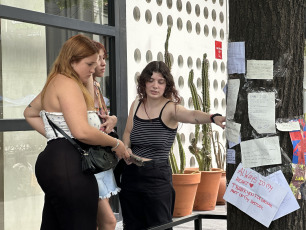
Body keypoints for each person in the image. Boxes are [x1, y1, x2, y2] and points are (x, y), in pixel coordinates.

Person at [23, 34, 129, 230]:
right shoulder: (68, 84)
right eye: (89, 64)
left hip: (54, 161)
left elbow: (29, 112)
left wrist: (56, 138)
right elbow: (81, 131)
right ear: (72, 61)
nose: (93, 69)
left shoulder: (55, 81)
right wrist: (116, 143)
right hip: (68, 165)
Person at [120, 61, 225, 230]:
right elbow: (127, 132)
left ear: (167, 85)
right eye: (151, 80)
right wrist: (126, 149)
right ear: (143, 82)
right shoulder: (137, 103)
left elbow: (192, 115)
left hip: (157, 176)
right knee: (132, 226)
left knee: (160, 226)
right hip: (131, 175)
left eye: (160, 82)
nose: (155, 86)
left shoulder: (171, 108)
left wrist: (213, 117)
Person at [87, 40, 120, 230]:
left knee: (101, 221)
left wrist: (112, 119)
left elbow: (99, 119)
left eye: (103, 58)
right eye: (97, 59)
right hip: (91, 159)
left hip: (99, 157)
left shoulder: (96, 86)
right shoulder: (84, 87)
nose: (102, 63)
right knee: (108, 221)